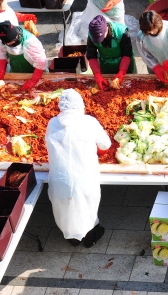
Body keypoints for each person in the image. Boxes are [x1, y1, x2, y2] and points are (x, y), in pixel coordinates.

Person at [46, 90, 111, 248]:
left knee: (65, 208)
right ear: (80, 105)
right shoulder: (89, 122)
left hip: (60, 176)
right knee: (87, 207)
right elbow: (105, 144)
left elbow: (49, 144)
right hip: (84, 175)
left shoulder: (52, 123)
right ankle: (90, 237)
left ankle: (72, 239)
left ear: (61, 106)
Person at [0, 22, 48, 91]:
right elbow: (1, 54)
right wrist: (1, 72)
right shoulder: (1, 40)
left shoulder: (30, 42)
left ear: (17, 36)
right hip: (16, 70)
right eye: (7, 43)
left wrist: (33, 80)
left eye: (12, 43)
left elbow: (41, 62)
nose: (9, 45)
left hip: (36, 72)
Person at [86, 14, 133, 89]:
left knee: (129, 84)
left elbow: (127, 54)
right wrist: (97, 74)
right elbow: (91, 55)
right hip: (106, 63)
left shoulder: (122, 32)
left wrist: (122, 72)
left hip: (124, 61)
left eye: (101, 37)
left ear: (106, 28)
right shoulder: (91, 35)